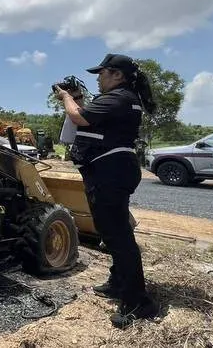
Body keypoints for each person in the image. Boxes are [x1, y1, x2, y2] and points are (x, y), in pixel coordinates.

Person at [53, 53, 160, 328]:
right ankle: (118, 281)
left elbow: (78, 117)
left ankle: (138, 302)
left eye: (102, 73)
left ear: (117, 75)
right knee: (112, 232)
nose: (98, 78)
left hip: (110, 172)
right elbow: (89, 118)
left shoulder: (119, 98)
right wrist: (76, 99)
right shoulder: (119, 99)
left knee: (118, 236)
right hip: (109, 171)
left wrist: (66, 98)